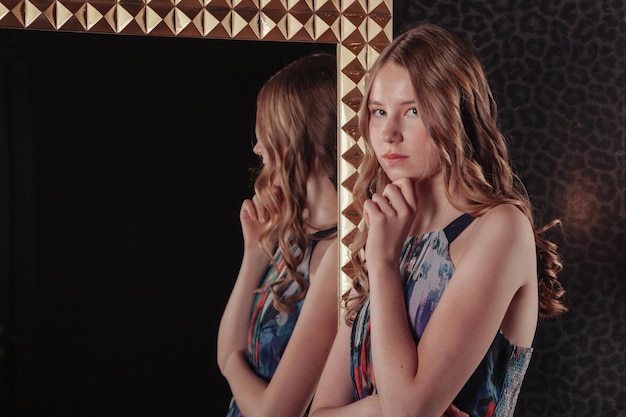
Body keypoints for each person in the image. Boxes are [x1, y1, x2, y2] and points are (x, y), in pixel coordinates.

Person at [309, 23, 567, 417]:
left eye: (412, 111)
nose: (389, 133)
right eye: (379, 112)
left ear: (455, 115)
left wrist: (381, 265)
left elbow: (409, 413)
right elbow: (321, 412)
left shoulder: (499, 228)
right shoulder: (388, 234)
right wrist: (382, 405)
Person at [217, 52, 339, 417]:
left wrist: (231, 366)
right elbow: (227, 344)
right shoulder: (295, 230)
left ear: (304, 138)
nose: (257, 146)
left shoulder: (337, 254)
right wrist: (254, 253)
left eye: (268, 132)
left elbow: (275, 412)